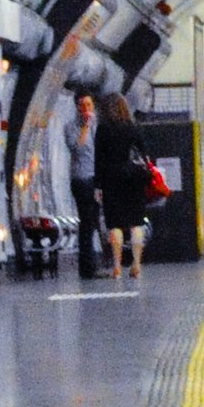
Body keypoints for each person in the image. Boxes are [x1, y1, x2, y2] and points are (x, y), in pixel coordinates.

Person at [95, 92, 155, 280]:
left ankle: (117, 266)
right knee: (136, 223)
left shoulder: (103, 129)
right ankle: (136, 263)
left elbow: (99, 160)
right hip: (134, 179)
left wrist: (98, 186)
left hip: (111, 180)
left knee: (115, 225)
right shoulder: (134, 127)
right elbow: (145, 155)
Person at [65, 84, 105, 278]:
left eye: (89, 105)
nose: (86, 109)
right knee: (87, 222)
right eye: (82, 105)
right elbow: (77, 149)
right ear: (77, 107)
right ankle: (86, 267)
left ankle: (97, 262)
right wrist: (85, 127)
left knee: (96, 220)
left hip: (97, 178)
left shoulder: (100, 125)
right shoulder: (71, 127)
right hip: (82, 179)